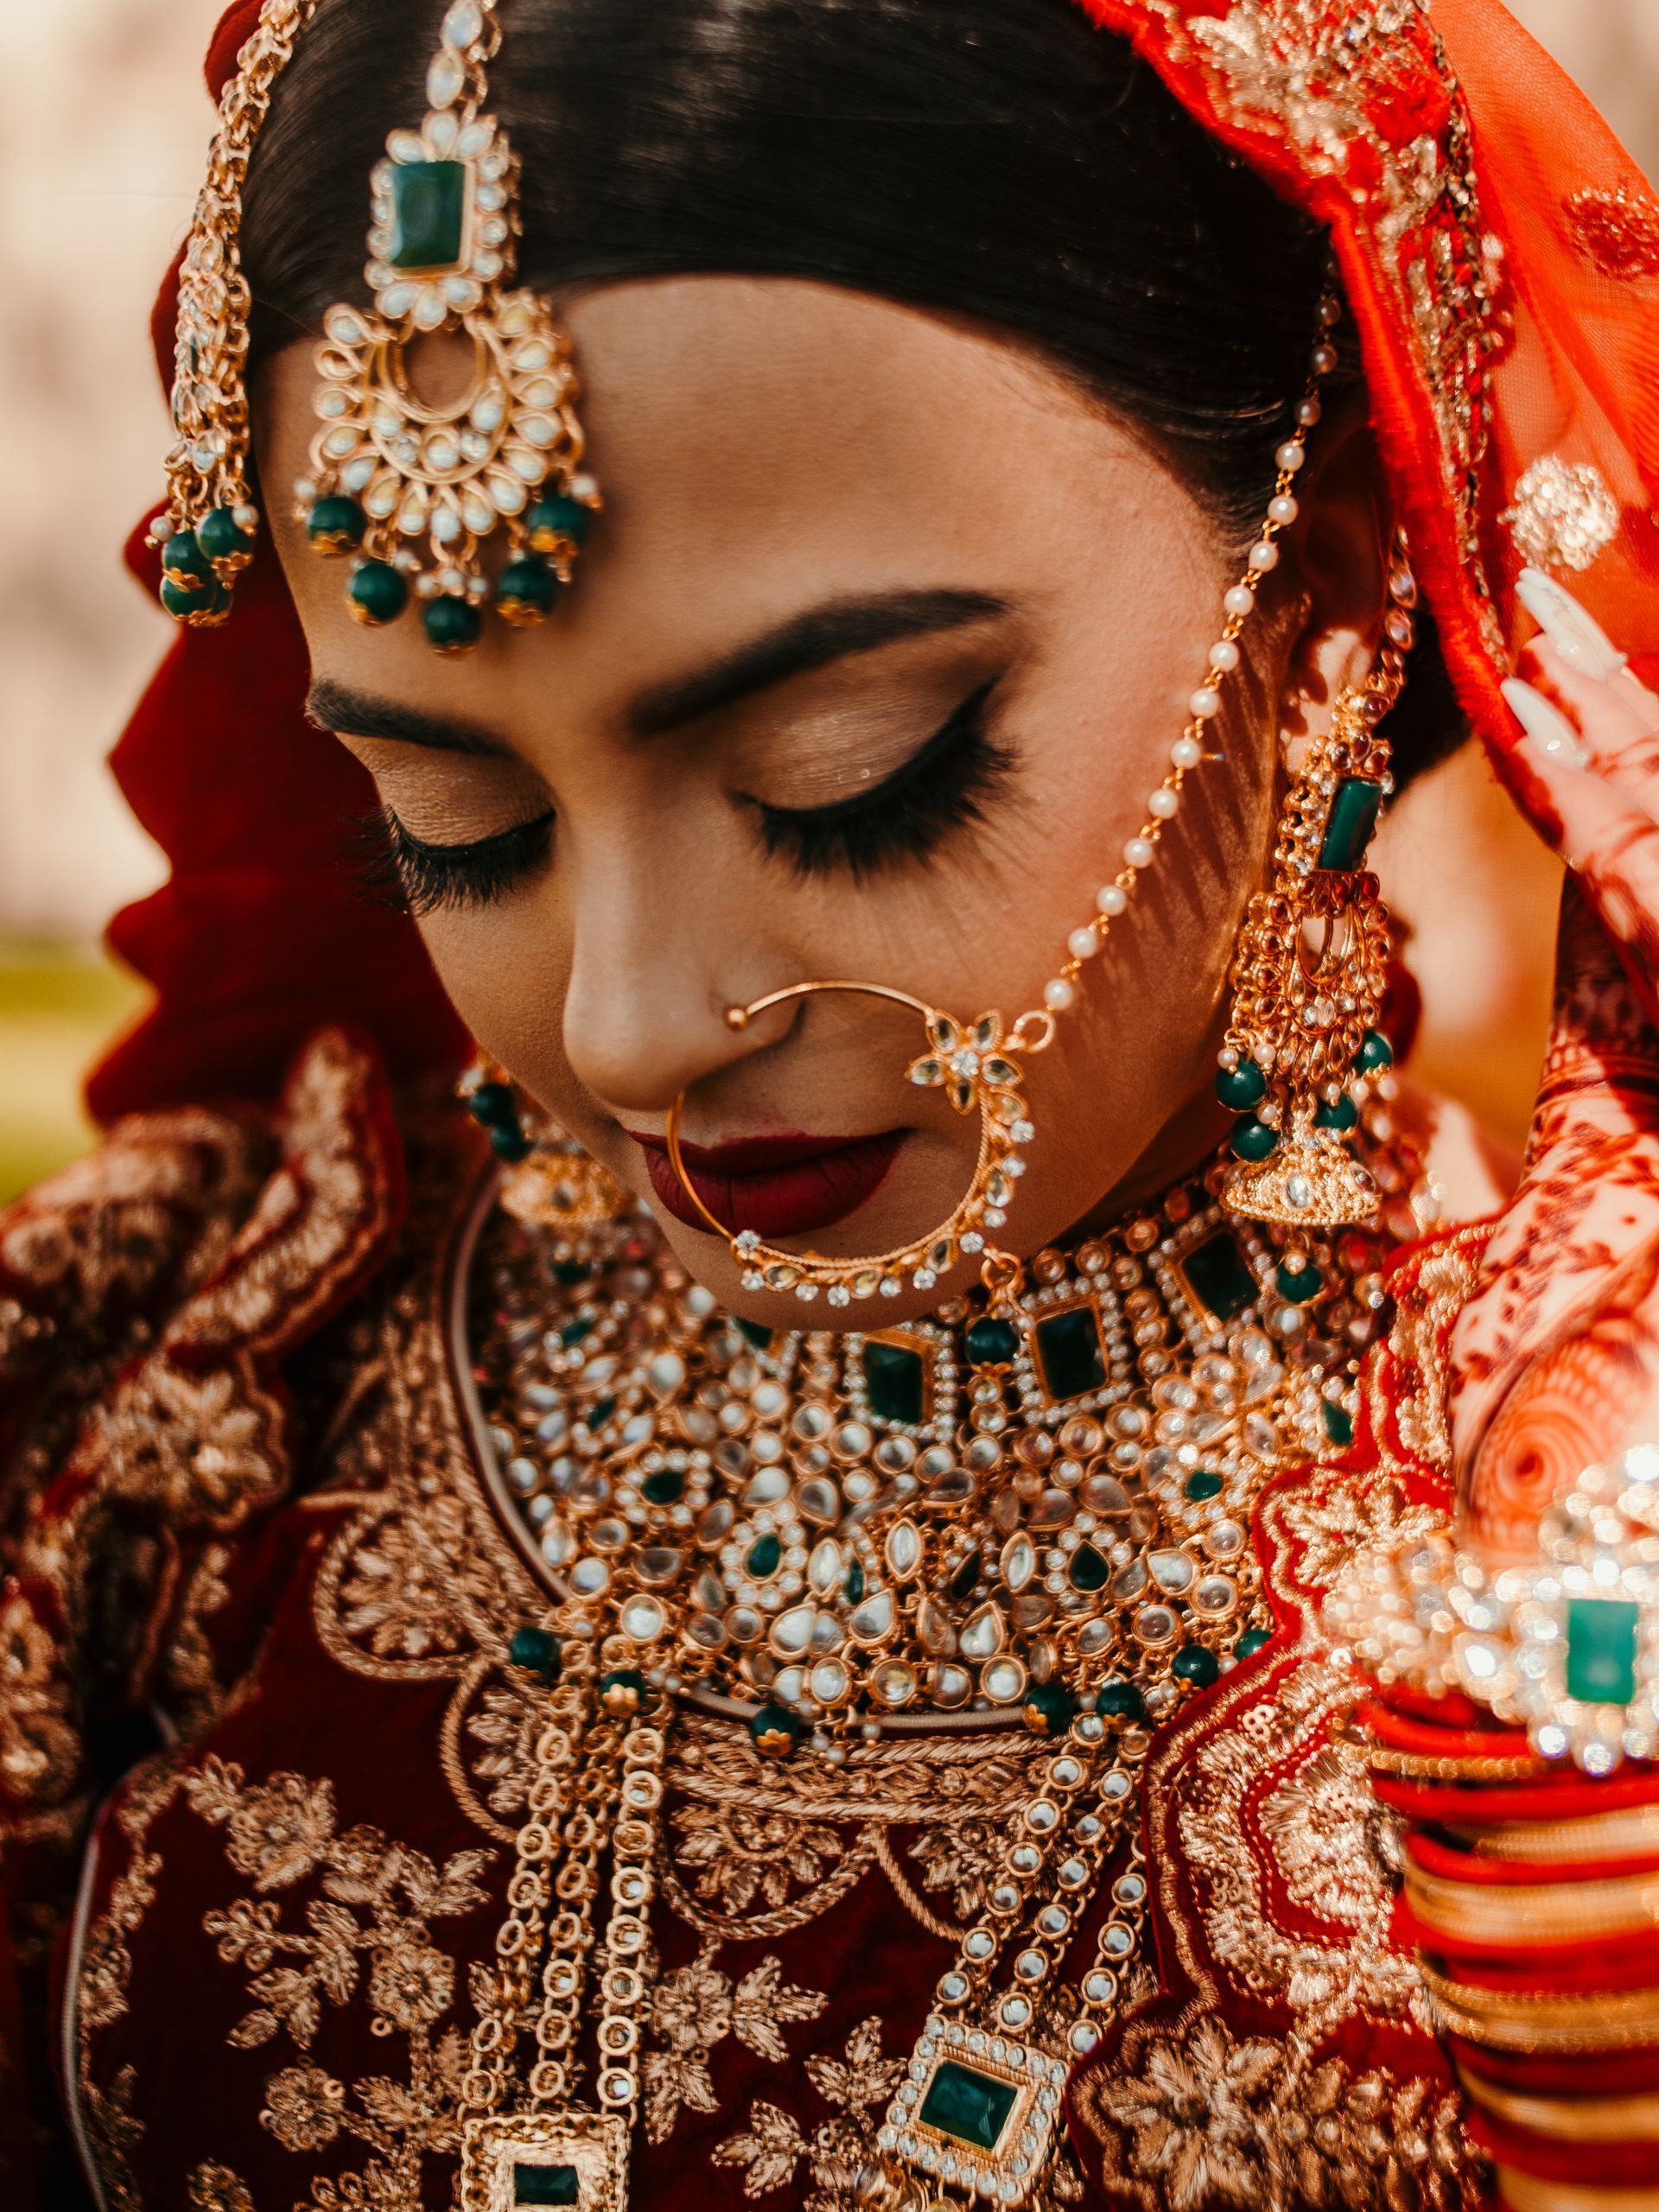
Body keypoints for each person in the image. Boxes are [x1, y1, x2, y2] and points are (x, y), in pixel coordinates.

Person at [3, 0, 1657, 2206]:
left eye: (845, 772)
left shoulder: (1564, 1630)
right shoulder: (175, 1412)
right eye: (456, 819)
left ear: (1333, 581)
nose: (629, 1022)